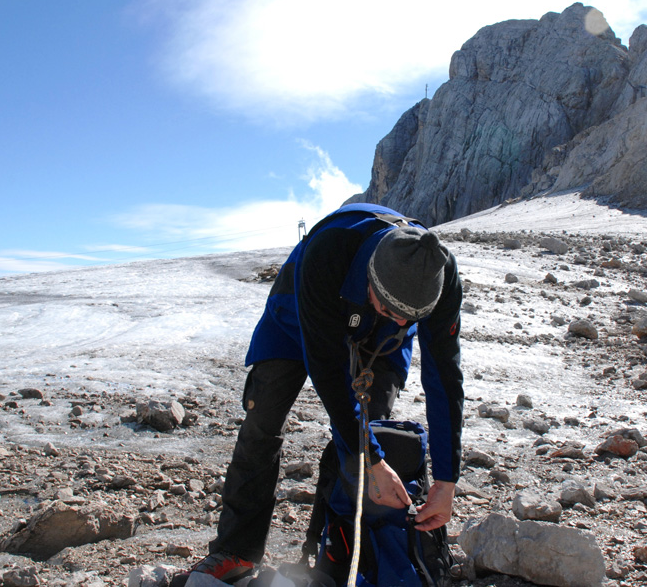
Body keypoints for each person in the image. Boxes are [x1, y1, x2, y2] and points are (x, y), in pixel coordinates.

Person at [179, 203, 464, 585]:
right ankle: (236, 551)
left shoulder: (439, 278)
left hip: (382, 344)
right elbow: (329, 375)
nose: (400, 321)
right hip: (298, 319)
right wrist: (372, 461)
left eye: (409, 319)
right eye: (390, 309)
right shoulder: (330, 249)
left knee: (370, 430)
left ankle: (334, 553)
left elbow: (445, 376)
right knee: (263, 421)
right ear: (370, 280)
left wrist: (447, 480)